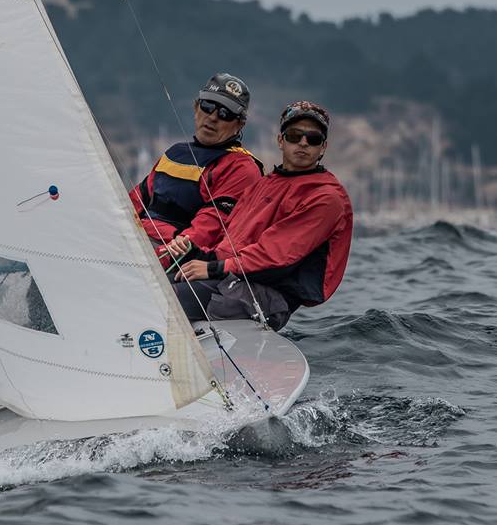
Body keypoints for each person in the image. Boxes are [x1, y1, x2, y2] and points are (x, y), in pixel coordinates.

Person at [164, 100, 352, 331]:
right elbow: (231, 244)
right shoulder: (263, 185)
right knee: (151, 285)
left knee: (164, 300)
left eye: (313, 139)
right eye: (294, 136)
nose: (303, 143)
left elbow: (276, 258)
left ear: (323, 147)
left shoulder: (326, 198)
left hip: (268, 296)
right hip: (232, 278)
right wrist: (196, 254)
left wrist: (213, 268)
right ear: (281, 141)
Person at [129, 73, 264, 265]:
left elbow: (206, 230)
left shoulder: (241, 168)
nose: (213, 117)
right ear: (195, 107)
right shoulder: (174, 152)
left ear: (239, 124)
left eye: (225, 113)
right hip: (133, 241)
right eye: (208, 106)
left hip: (171, 257)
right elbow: (130, 204)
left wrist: (154, 260)